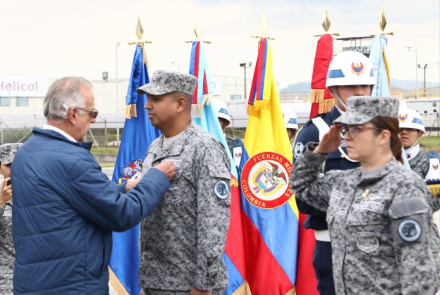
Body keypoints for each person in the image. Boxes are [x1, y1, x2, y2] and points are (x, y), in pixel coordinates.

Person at [11, 77, 175, 295]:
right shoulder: (73, 160)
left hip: (35, 283)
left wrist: (123, 189)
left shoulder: (27, 152)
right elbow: (123, 213)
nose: (94, 120)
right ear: (72, 114)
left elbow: (65, 198)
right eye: (92, 113)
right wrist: (157, 177)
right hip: (72, 285)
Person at [290, 96, 437, 294]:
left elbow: (420, 276)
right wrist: (319, 152)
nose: (346, 136)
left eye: (356, 129)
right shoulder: (343, 182)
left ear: (383, 137)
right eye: (346, 128)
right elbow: (300, 185)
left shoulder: (405, 188)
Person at [137, 70, 231, 295]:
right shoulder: (154, 148)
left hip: (189, 285)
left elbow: (214, 221)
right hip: (156, 282)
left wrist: (203, 283)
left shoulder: (204, 148)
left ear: (180, 104)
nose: (147, 105)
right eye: (147, 98)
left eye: (156, 99)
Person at [292, 50, 376, 295]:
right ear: (332, 91)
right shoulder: (315, 132)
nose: (360, 92)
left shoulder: (385, 132)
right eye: (350, 86)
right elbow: (303, 199)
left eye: (366, 85)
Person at [399, 108, 440, 289]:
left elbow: (436, 201)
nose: (404, 132)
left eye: (410, 129)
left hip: (424, 240)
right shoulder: (384, 161)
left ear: (420, 134)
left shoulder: (430, 162)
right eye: (399, 129)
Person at [0, 143, 22, 295]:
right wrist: (1, 202)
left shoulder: (42, 194)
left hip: (35, 279)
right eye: (9, 164)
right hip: (5, 281)